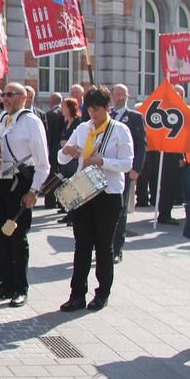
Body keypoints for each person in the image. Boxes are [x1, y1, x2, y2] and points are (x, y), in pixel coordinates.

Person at [56, 88, 133, 312]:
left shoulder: (119, 130)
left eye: (97, 109)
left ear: (107, 107)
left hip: (108, 194)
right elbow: (61, 157)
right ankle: (77, 294)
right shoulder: (82, 128)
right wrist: (67, 151)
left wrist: (102, 161)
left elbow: (127, 163)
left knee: (103, 246)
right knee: (81, 245)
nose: (93, 113)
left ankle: (102, 293)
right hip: (83, 192)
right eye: (89, 108)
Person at [0, 83, 49, 308]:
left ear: (24, 98)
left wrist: (34, 191)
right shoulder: (2, 119)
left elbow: (43, 162)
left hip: (21, 184)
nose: (5, 98)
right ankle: (5, 283)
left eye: (10, 94)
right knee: (1, 235)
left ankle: (21, 287)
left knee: (17, 237)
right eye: (4, 95)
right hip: (1, 182)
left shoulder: (31, 122)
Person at [109, 84, 147, 264]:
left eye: (123, 94)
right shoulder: (106, 116)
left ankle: (117, 248)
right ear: (111, 96)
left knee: (120, 209)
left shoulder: (134, 117)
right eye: (117, 94)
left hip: (124, 170)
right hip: (105, 170)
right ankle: (104, 245)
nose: (120, 97)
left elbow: (141, 144)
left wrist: (136, 168)